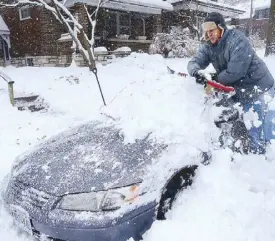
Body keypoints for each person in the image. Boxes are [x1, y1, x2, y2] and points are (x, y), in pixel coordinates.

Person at [187, 12, 275, 154]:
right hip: (239, 90)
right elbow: (194, 62)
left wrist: (213, 78)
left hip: (260, 88)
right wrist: (196, 72)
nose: (209, 34)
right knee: (236, 120)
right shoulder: (208, 46)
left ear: (221, 28)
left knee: (259, 130)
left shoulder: (237, 40)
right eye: (207, 31)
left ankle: (260, 161)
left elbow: (236, 71)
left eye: (212, 30)